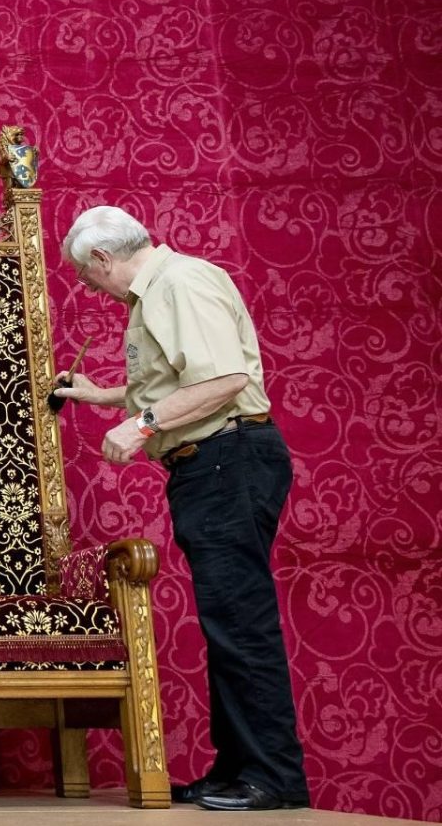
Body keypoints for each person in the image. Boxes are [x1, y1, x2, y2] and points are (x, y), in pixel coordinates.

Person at [54, 206, 309, 813]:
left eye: (87, 277)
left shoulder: (180, 283)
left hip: (227, 459)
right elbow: (178, 380)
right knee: (226, 622)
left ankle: (273, 776)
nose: (88, 289)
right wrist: (106, 395)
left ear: (102, 258)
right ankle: (237, 768)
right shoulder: (155, 295)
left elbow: (222, 379)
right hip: (212, 465)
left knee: (241, 622)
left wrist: (138, 425)